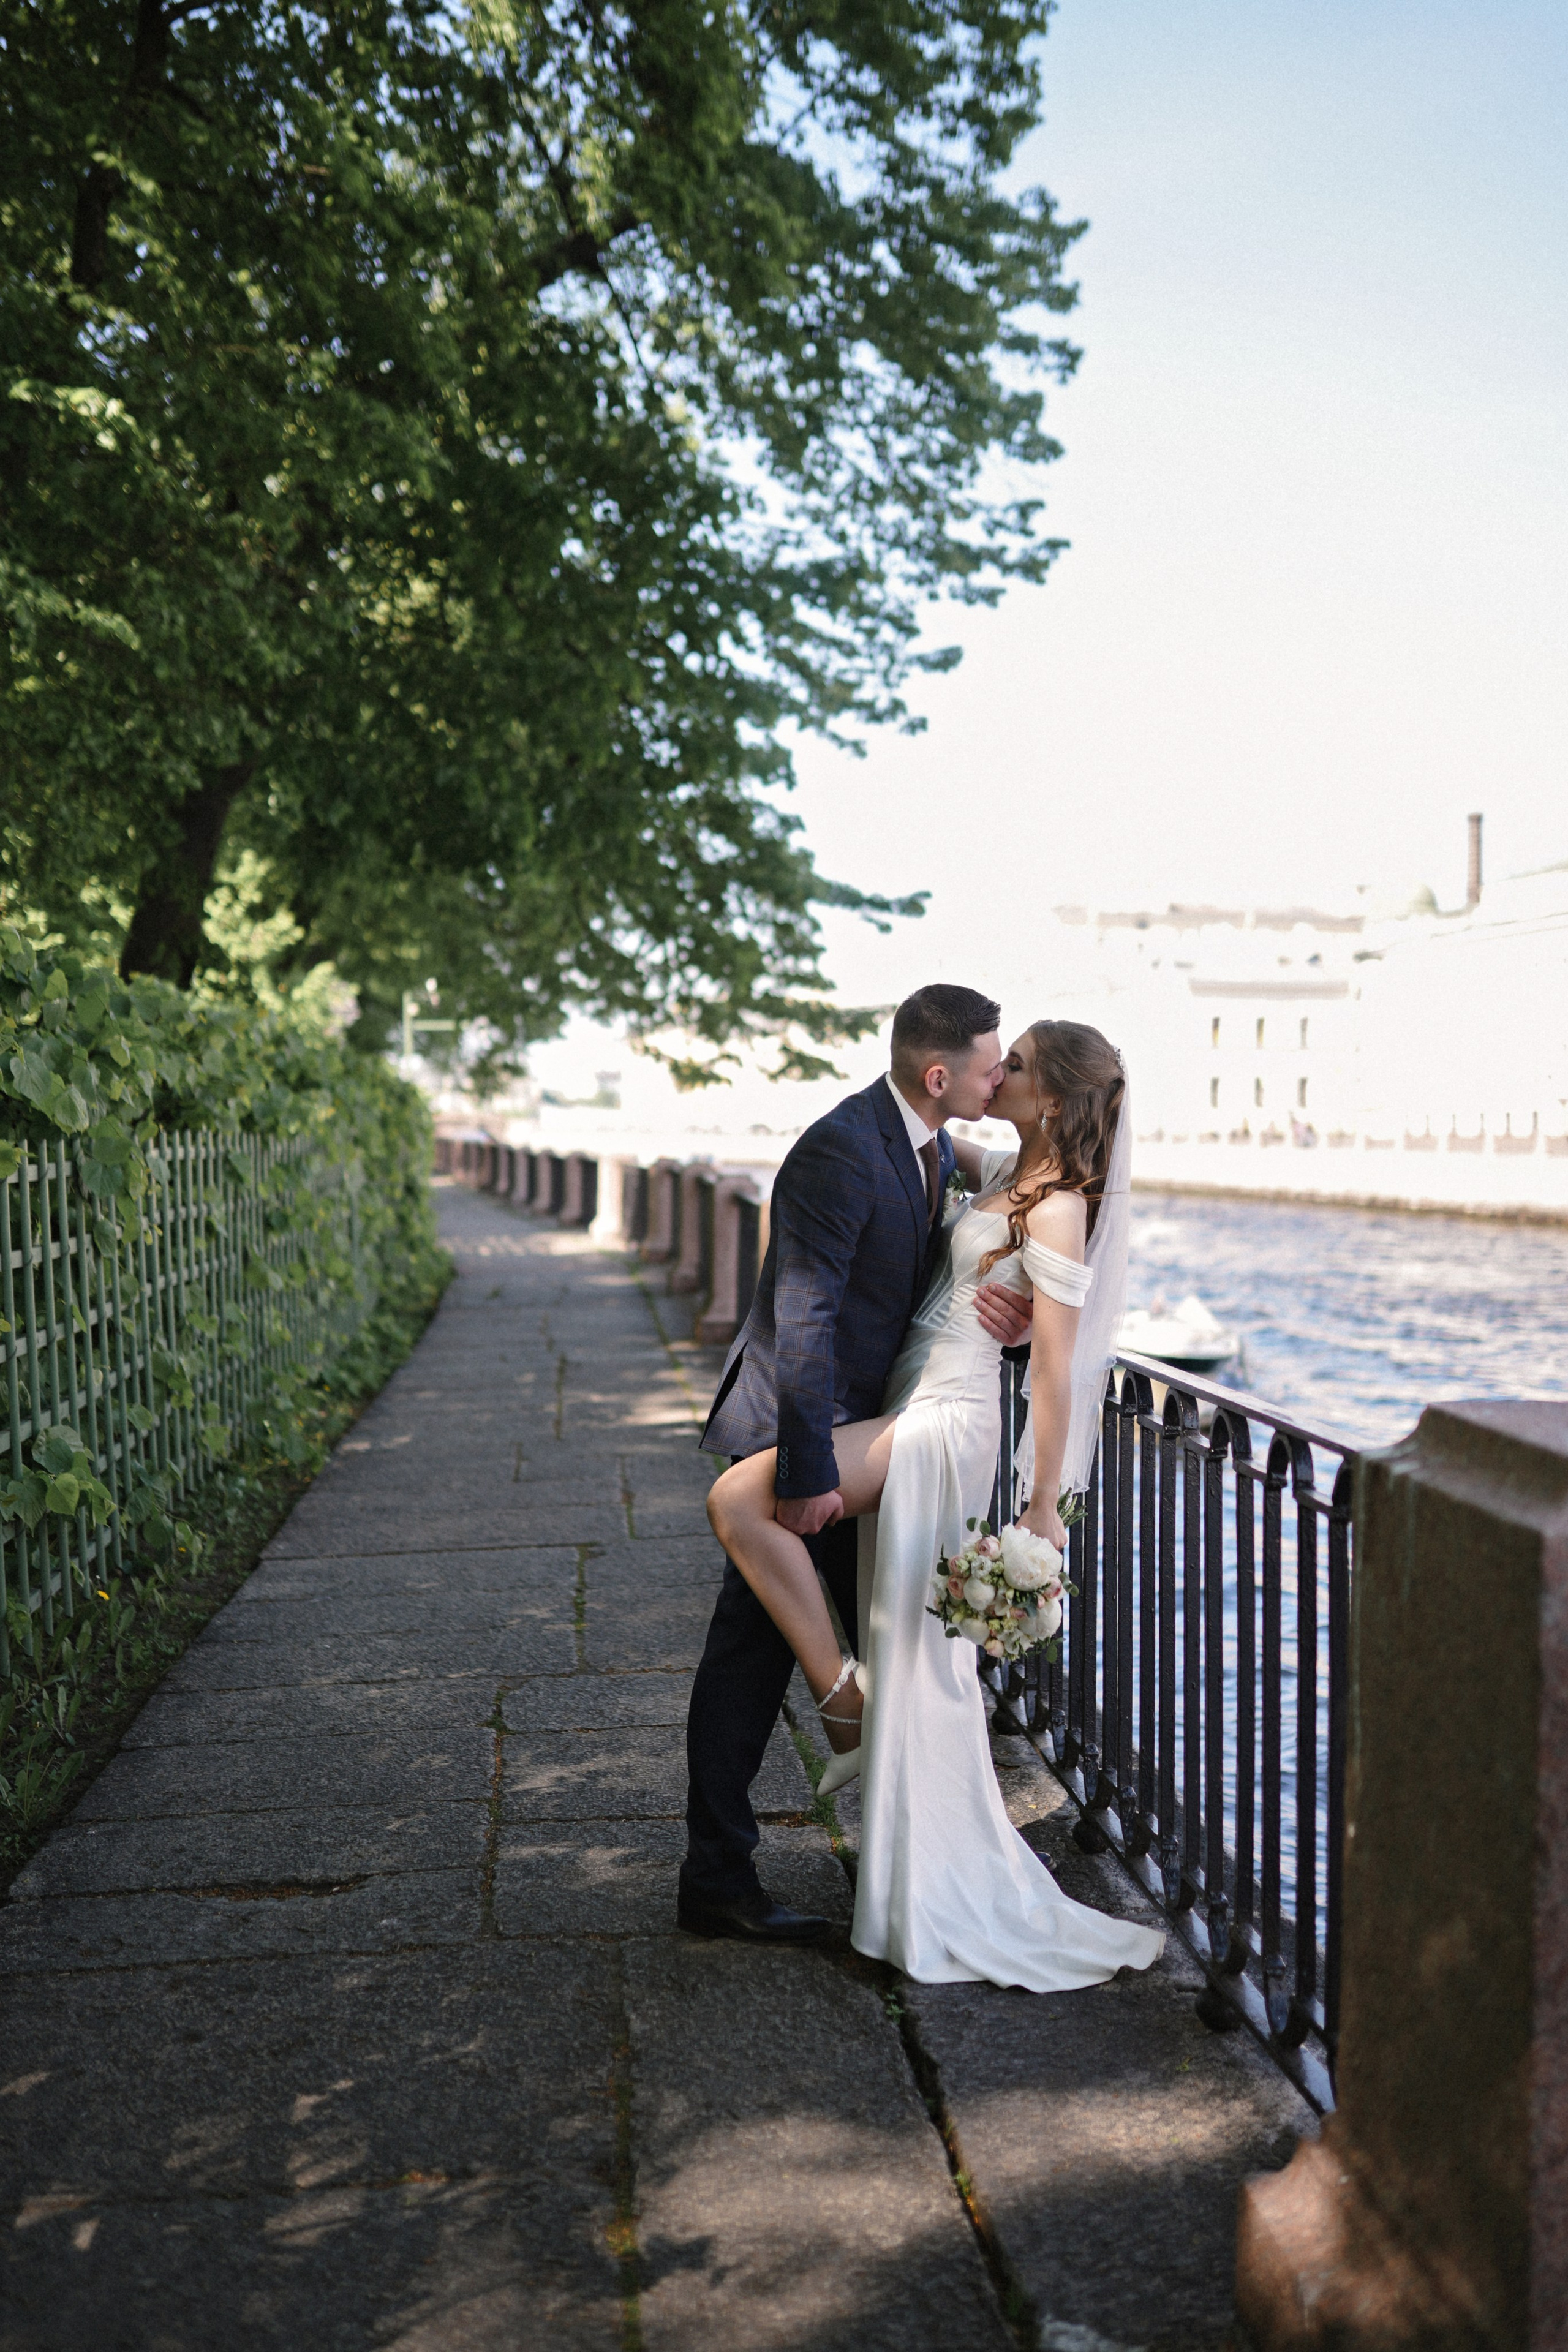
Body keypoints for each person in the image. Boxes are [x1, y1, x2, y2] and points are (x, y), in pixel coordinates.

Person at [706, 1018, 1165, 1990]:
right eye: (998, 1060)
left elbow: (1056, 1370)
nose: (1002, 1075)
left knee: (749, 1506)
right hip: (912, 1398)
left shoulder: (1057, 1212)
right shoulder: (1001, 1166)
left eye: (1022, 1066)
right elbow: (920, 1131)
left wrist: (1043, 1505)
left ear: (1054, 1098)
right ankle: (891, 1815)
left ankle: (845, 1710)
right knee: (915, 1645)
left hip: (947, 1419)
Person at [678, 984, 1033, 1943]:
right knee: (749, 1662)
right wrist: (804, 1477)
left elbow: (1021, 1190)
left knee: (898, 1638)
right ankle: (719, 1876)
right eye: (990, 1066)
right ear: (937, 1074)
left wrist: (1021, 1306)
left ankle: (900, 1857)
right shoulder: (843, 1148)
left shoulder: (922, 1144)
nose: (999, 1078)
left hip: (865, 1439)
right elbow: (805, 1319)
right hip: (808, 1438)